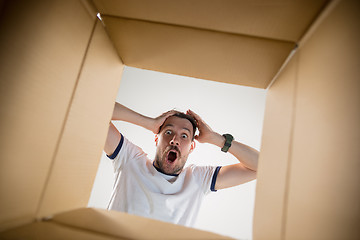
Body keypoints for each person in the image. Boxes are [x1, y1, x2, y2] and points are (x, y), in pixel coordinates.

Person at [104, 102, 258, 227]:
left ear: (192, 147)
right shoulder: (130, 160)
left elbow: (261, 166)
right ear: (156, 140)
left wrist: (215, 138)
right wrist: (149, 123)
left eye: (184, 135)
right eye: (168, 132)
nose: (175, 140)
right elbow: (96, 107)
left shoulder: (198, 179)